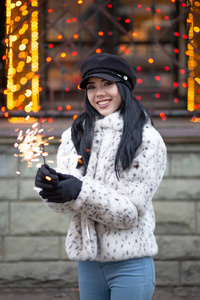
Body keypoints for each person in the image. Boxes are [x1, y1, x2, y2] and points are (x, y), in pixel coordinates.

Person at [35, 53, 167, 300]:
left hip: (130, 264)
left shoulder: (147, 140)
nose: (99, 94)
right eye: (92, 87)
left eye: (107, 84)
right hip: (88, 264)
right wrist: (53, 190)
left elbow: (129, 213)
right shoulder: (75, 135)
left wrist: (79, 191)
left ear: (124, 86)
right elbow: (66, 207)